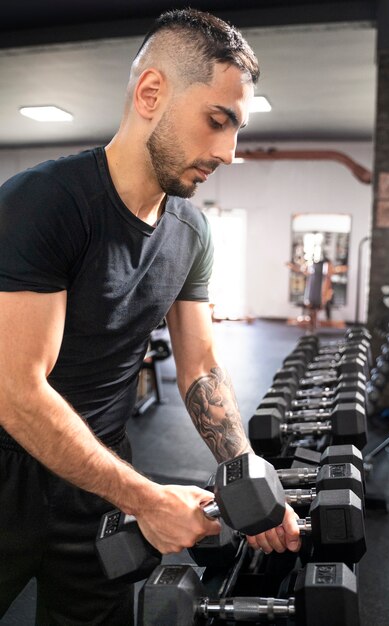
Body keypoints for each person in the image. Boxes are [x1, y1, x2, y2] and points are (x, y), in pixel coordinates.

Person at [0, 9, 301, 625]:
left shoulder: (191, 230)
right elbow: (15, 390)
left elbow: (200, 365)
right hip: (9, 476)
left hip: (101, 477)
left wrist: (245, 475)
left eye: (237, 128)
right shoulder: (45, 202)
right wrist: (147, 498)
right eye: (218, 121)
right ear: (151, 93)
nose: (230, 151)